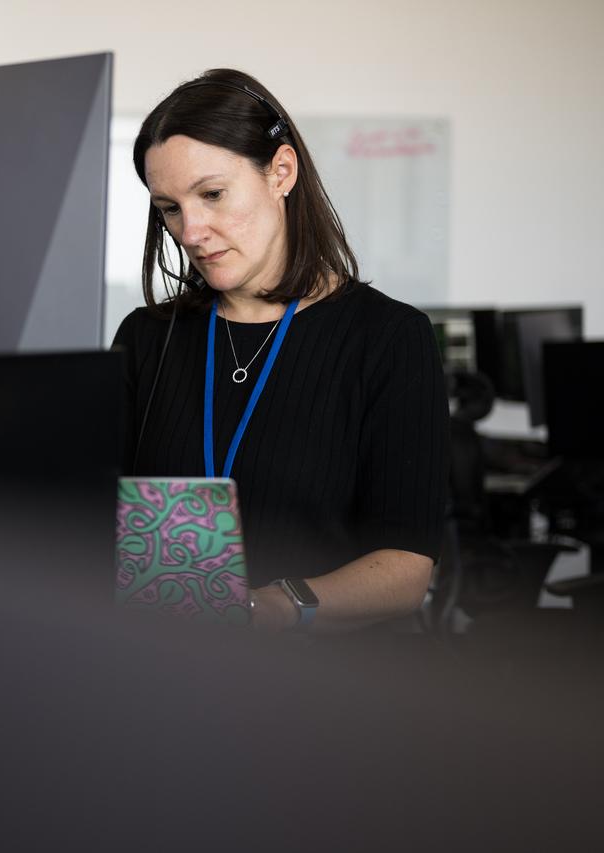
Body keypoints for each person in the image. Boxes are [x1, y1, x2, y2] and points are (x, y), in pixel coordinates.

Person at [112, 68, 449, 633]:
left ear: (281, 173)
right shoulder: (146, 337)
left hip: (321, 694)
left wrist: (269, 608)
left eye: (212, 195)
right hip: (168, 674)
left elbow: (405, 570)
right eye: (169, 207)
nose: (190, 231)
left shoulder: (389, 338)